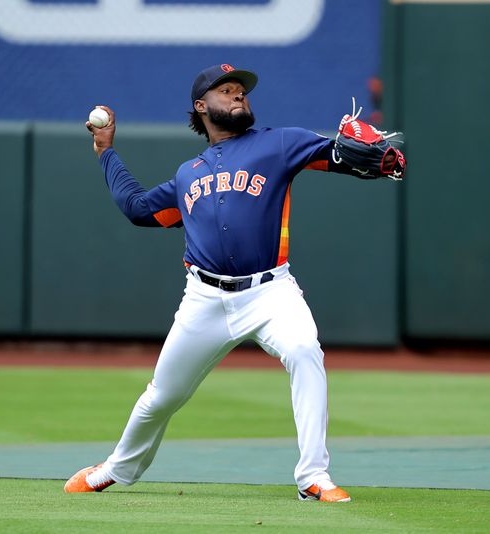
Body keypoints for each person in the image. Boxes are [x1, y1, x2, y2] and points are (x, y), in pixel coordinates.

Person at [64, 64, 405, 502]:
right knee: (160, 397)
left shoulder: (279, 143)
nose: (238, 95)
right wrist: (105, 152)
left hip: (271, 292)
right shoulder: (189, 173)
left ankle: (313, 477)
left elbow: (337, 154)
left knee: (304, 351)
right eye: (226, 90)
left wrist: (372, 158)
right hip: (203, 299)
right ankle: (114, 469)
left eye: (241, 90)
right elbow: (137, 208)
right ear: (201, 107)